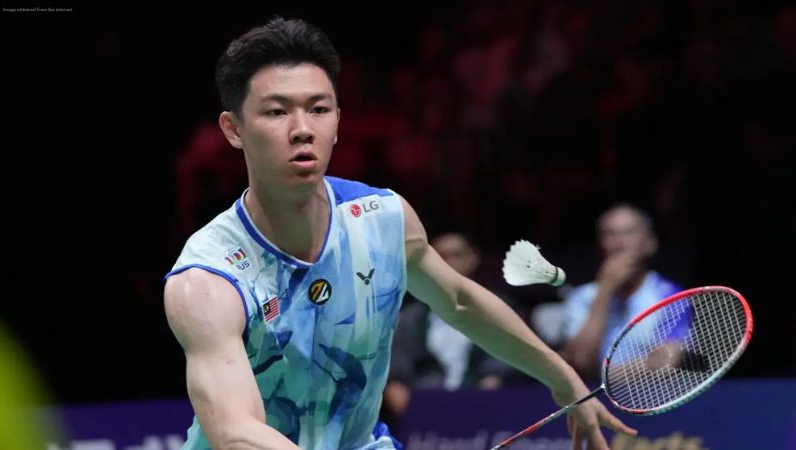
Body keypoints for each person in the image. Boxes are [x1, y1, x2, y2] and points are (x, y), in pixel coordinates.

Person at [163, 17, 636, 450]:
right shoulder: (207, 278)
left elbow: (459, 301)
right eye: (276, 112)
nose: (302, 129)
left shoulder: (380, 218)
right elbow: (235, 432)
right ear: (234, 129)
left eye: (319, 109)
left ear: (338, 121)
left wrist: (562, 378)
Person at [382, 233, 523, 428]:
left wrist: (479, 401)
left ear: (473, 258)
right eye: (440, 257)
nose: (447, 263)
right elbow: (395, 374)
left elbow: (505, 364)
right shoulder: (410, 317)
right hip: (424, 414)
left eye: (455, 255)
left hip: (486, 412)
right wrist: (412, 413)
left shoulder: (498, 309)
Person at [560, 204, 682, 379]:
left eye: (629, 233)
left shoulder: (670, 295)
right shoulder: (580, 298)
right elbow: (580, 361)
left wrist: (600, 376)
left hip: (649, 394)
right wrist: (604, 292)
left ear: (650, 243)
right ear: (599, 245)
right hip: (591, 396)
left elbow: (668, 362)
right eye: (610, 234)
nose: (619, 243)